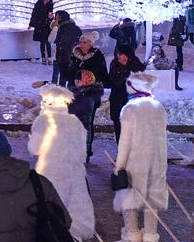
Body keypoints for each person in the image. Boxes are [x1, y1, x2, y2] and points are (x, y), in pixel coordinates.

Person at [28, 85, 94, 242]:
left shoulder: (43, 121)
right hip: (75, 174)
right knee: (74, 219)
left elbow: (34, 149)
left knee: (51, 218)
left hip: (50, 175)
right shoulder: (75, 122)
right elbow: (82, 150)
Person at [112, 72, 168, 242]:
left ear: (134, 87)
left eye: (128, 84)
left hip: (135, 160)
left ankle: (132, 237)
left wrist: (119, 165)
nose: (126, 87)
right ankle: (150, 240)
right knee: (152, 197)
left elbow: (125, 141)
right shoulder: (158, 107)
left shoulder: (130, 109)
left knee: (130, 197)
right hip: (157, 160)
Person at [64, 31, 107, 160]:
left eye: (85, 42)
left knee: (87, 124)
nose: (82, 45)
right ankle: (73, 150)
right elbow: (68, 74)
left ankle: (85, 152)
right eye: (81, 42)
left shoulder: (97, 57)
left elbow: (103, 76)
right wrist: (74, 76)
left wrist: (90, 80)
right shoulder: (74, 56)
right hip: (75, 93)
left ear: (91, 44)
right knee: (72, 122)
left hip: (90, 94)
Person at [107, 44, 139, 143]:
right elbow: (113, 81)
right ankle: (121, 152)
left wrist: (127, 68)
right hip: (117, 99)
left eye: (120, 53)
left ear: (127, 55)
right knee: (119, 126)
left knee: (132, 127)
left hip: (131, 100)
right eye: (117, 53)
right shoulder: (114, 64)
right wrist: (123, 71)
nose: (118, 56)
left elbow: (139, 82)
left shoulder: (135, 64)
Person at [51, 10, 81, 87]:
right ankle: (65, 90)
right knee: (68, 77)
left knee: (61, 74)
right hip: (74, 56)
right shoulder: (76, 28)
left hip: (63, 57)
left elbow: (59, 44)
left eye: (57, 18)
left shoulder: (62, 29)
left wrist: (59, 57)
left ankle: (61, 92)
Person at [29, 0, 54, 64]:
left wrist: (51, 19)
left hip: (47, 26)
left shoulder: (50, 5)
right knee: (42, 42)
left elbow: (50, 15)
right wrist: (31, 24)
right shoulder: (38, 4)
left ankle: (49, 58)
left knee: (47, 42)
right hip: (40, 25)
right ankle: (43, 58)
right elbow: (34, 14)